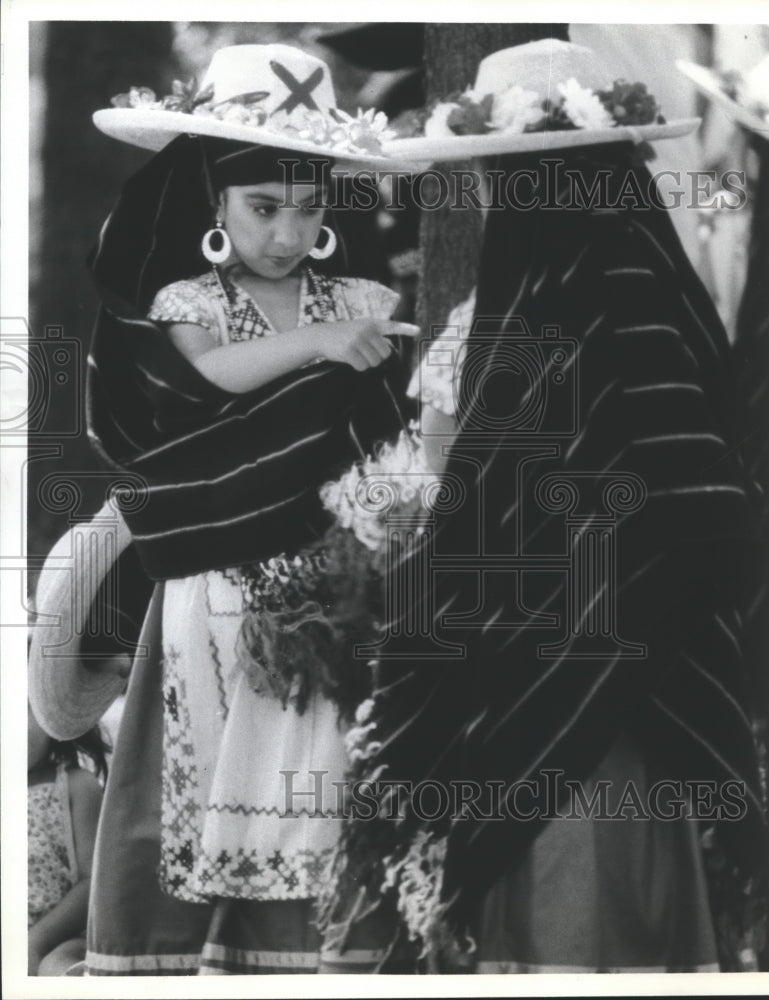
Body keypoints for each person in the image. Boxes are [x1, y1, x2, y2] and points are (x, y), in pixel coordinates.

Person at [318, 39, 768, 974]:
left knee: (574, 925)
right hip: (646, 682)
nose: (485, 199)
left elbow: (494, 509)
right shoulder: (653, 289)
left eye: (493, 179)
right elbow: (701, 498)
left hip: (569, 702)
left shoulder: (550, 311)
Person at [30, 43, 420, 976]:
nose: (286, 233)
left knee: (317, 774)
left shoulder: (365, 297)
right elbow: (201, 384)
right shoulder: (189, 304)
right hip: (209, 584)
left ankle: (305, 957)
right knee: (200, 775)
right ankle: (181, 955)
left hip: (331, 589)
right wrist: (323, 345)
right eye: (262, 208)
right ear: (214, 201)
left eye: (308, 207)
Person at [28, 705, 106, 976]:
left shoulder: (75, 786)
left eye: (26, 709)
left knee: (56, 970)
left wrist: (34, 942)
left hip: (62, 935)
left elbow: (92, 882)